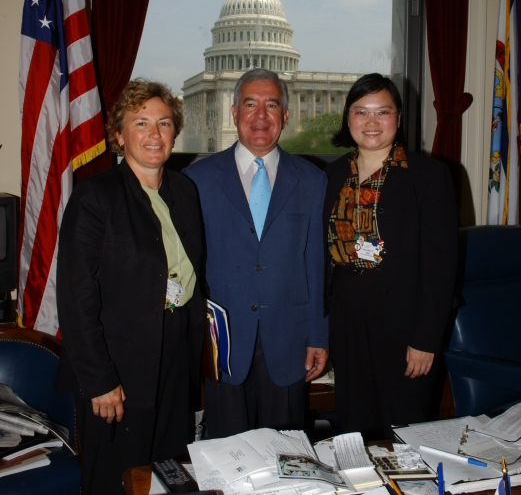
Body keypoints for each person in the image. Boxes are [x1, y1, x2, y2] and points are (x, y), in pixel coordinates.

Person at [54, 79, 207, 495]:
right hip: (116, 375)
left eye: (164, 122)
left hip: (172, 361)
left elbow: (189, 274)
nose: (154, 133)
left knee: (165, 480)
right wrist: (100, 381)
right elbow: (77, 299)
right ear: (119, 135)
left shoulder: (184, 190)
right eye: (141, 123)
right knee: (111, 492)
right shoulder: (96, 197)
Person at [185, 69, 328, 438]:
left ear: (285, 116)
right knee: (225, 454)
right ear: (234, 113)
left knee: (288, 455)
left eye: (271, 105)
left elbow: (315, 265)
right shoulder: (196, 180)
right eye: (250, 104)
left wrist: (319, 336)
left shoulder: (312, 180)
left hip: (290, 341)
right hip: (224, 343)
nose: (260, 116)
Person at [324, 73, 458, 439]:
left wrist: (426, 340)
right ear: (347, 118)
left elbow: (441, 267)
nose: (371, 122)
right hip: (348, 317)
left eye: (382, 112)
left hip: (405, 323)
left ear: (398, 118)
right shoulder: (331, 176)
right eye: (360, 111)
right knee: (356, 427)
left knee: (407, 431)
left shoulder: (428, 176)